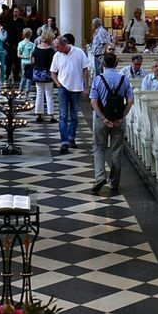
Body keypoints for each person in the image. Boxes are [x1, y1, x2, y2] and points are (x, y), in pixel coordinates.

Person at [90, 50, 134, 194]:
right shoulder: (124, 79)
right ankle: (114, 182)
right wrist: (121, 117)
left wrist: (103, 118)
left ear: (103, 64)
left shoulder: (98, 79)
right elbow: (130, 101)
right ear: (116, 63)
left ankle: (100, 176)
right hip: (118, 120)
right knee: (116, 151)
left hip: (101, 119)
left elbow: (94, 101)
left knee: (99, 148)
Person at [51, 34, 89, 154]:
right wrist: (58, 84)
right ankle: (64, 142)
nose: (56, 49)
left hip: (76, 88)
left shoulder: (79, 52)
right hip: (63, 88)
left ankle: (72, 137)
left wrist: (86, 87)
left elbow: (85, 70)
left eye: (58, 47)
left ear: (64, 44)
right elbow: (53, 72)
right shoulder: (57, 55)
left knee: (74, 116)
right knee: (63, 116)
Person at [32, 29, 56, 121]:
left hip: (38, 73)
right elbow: (53, 63)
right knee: (49, 95)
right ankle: (51, 115)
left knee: (39, 94)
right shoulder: (50, 50)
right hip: (47, 74)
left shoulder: (37, 48)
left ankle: (39, 114)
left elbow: (33, 60)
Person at [18, 27, 35, 95]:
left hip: (23, 62)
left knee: (23, 77)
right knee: (29, 78)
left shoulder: (20, 43)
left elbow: (19, 55)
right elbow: (32, 55)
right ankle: (27, 93)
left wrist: (25, 57)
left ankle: (20, 91)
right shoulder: (32, 44)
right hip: (30, 63)